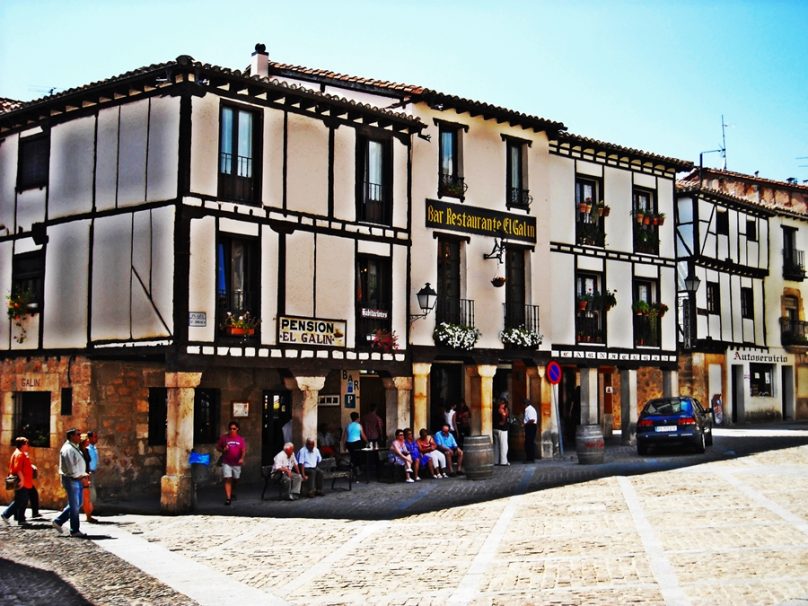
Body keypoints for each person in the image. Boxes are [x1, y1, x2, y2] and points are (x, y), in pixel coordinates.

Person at [53, 428, 90, 537]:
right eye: (78, 434)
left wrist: (82, 474)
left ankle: (59, 521)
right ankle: (74, 530)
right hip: (72, 479)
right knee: (75, 505)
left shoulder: (74, 447)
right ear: (71, 436)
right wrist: (80, 476)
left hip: (76, 478)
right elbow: (71, 467)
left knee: (77, 504)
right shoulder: (68, 449)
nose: (80, 436)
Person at [1, 437, 35, 527]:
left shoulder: (21, 453)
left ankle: (21, 519)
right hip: (22, 481)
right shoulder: (19, 454)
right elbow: (18, 469)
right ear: (22, 445)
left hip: (25, 482)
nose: (28, 445)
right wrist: (22, 480)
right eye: (27, 444)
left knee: (23, 500)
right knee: (20, 500)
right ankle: (6, 514)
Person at [216, 421, 246, 506]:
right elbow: (218, 447)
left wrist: (241, 458)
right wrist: (223, 450)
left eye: (234, 429)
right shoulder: (224, 438)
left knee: (236, 479)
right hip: (226, 462)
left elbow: (243, 450)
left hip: (236, 463)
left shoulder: (240, 439)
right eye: (230, 429)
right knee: (228, 478)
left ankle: (232, 490)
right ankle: (228, 498)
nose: (232, 430)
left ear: (237, 429)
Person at [342, 412, 367, 480]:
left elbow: (345, 436)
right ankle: (357, 470)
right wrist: (367, 441)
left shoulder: (348, 425)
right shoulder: (359, 425)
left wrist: (344, 445)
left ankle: (353, 470)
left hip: (349, 443)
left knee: (352, 456)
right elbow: (363, 435)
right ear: (358, 418)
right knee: (358, 457)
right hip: (357, 443)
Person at [83, 431, 99, 522]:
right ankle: (88, 515)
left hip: (92, 472)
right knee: (89, 494)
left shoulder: (94, 448)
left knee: (91, 494)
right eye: (94, 437)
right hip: (88, 473)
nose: (96, 438)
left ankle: (89, 514)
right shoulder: (87, 449)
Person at [493, 395, 510, 466]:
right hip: (502, 429)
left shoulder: (494, 408)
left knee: (496, 446)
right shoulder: (502, 409)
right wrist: (503, 421)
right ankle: (503, 461)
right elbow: (504, 417)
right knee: (504, 445)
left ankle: (496, 461)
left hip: (495, 428)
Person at [523, 399, 538, 463]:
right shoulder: (528, 409)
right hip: (529, 426)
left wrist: (525, 424)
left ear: (525, 404)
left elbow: (532, 420)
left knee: (529, 443)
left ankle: (530, 459)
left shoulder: (530, 410)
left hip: (530, 427)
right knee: (528, 443)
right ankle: (529, 458)